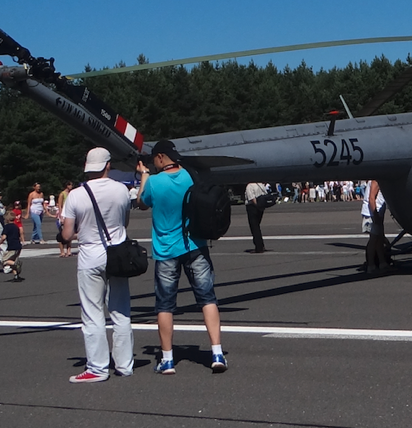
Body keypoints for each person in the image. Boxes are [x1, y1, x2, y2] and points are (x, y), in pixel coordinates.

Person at [136, 139, 227, 374]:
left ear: (159, 158)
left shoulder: (155, 182)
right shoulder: (189, 175)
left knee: (165, 304)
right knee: (207, 298)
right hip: (194, 244)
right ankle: (217, 352)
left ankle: (167, 359)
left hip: (166, 250)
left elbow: (142, 203)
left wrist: (144, 177)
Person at [62, 148, 133, 383]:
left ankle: (98, 367)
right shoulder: (122, 190)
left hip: (90, 255)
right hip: (118, 255)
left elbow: (68, 233)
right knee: (120, 310)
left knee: (92, 313)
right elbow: (124, 222)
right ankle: (124, 364)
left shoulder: (75, 195)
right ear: (108, 165)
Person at [365, 179, 392, 272]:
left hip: (378, 213)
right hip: (373, 214)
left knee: (379, 239)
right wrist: (375, 215)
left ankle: (382, 263)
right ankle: (371, 265)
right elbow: (371, 198)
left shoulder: (379, 180)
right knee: (373, 239)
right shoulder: (376, 181)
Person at [0, 211, 24, 282]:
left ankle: (16, 264)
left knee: (4, 261)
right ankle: (16, 275)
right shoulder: (16, 227)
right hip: (18, 246)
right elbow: (19, 235)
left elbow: (3, 237)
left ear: (7, 219)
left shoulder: (7, 227)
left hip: (12, 247)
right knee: (12, 260)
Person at [244, 182, 268, 253]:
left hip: (252, 207)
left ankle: (259, 246)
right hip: (261, 208)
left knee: (254, 228)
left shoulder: (249, 186)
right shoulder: (261, 184)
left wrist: (257, 206)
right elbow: (265, 195)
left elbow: (252, 198)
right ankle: (260, 245)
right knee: (257, 226)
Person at [56, 181, 73, 258]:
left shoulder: (72, 194)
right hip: (63, 213)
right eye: (70, 185)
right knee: (61, 234)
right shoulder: (62, 194)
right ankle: (62, 251)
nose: (71, 186)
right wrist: (61, 216)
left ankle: (68, 250)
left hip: (69, 214)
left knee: (70, 233)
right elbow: (59, 205)